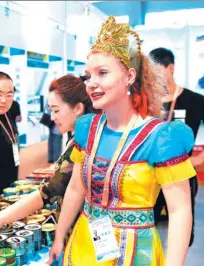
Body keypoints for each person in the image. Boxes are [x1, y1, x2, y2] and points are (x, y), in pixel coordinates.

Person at [47, 16, 195, 266]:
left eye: (102, 73)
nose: (91, 83)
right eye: (88, 75)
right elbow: (76, 188)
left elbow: (180, 211)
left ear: (129, 76)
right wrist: (59, 236)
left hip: (137, 250)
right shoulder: (87, 129)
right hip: (86, 241)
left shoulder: (160, 137)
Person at [0, 75, 97, 249]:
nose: (51, 117)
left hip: (83, 234)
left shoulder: (82, 143)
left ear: (78, 108)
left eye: (56, 110)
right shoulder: (83, 137)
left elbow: (48, 191)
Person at [149, 47, 204, 246]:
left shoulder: (195, 101)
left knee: (182, 234)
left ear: (170, 68)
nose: (154, 77)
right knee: (145, 230)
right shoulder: (146, 102)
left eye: (158, 71)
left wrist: (198, 160)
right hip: (149, 177)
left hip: (182, 177)